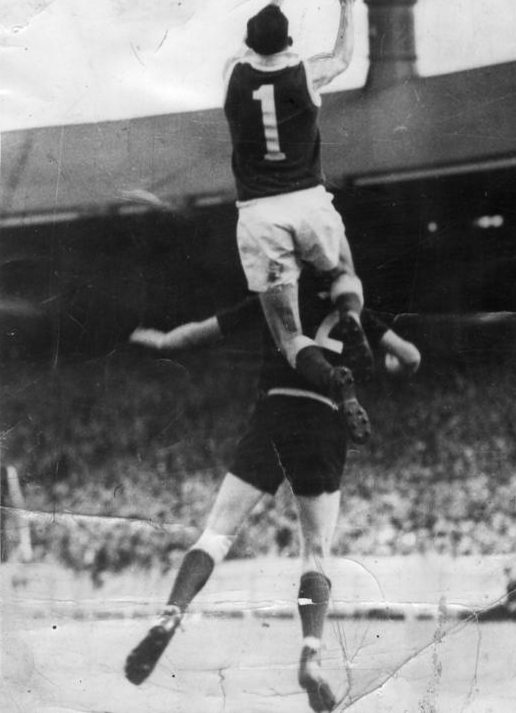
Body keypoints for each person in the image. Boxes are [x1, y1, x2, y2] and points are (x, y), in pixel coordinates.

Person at [124, 270, 421, 711]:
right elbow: (411, 357)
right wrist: (395, 366)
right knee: (315, 550)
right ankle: (310, 657)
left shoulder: (274, 299)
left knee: (217, 532)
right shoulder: (353, 314)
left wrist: (162, 342)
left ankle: (171, 616)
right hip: (324, 422)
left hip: (275, 412)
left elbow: (194, 336)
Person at [223, 0, 371, 441]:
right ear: (289, 41)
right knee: (344, 272)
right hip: (309, 201)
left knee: (288, 336)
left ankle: (334, 381)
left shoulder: (233, 74)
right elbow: (344, 57)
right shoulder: (305, 74)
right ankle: (350, 317)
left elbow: (254, 42)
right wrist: (348, 4)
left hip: (260, 214)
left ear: (249, 43)